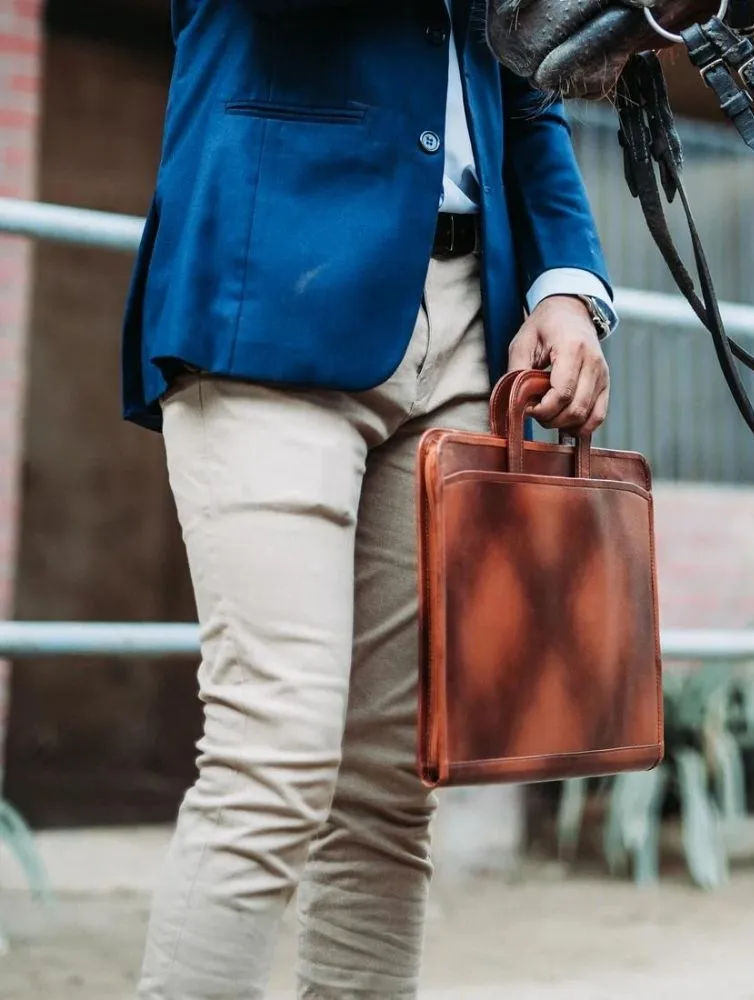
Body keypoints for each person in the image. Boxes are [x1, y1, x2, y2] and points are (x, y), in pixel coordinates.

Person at [121, 1, 617, 996]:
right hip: (270, 298)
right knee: (273, 761)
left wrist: (566, 286)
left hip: (465, 327)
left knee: (391, 782)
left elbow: (524, 93)